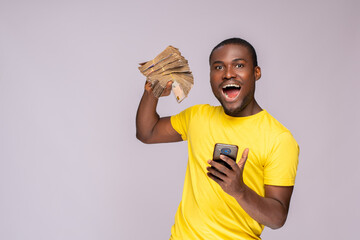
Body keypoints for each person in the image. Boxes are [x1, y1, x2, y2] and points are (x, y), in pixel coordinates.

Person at [136, 38, 299, 240]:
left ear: (256, 73)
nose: (228, 73)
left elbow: (277, 218)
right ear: (211, 76)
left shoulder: (279, 139)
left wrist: (239, 191)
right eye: (218, 67)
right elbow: (147, 132)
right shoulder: (198, 117)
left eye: (239, 65)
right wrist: (152, 89)